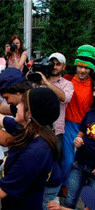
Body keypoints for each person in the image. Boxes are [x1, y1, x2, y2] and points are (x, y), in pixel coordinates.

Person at [34, 53, 74, 207]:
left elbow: (65, 97)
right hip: (38, 129)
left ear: (64, 66)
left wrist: (46, 83)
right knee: (38, 162)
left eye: (58, 64)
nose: (55, 66)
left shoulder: (66, 84)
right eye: (52, 63)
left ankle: (53, 194)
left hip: (56, 132)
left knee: (54, 164)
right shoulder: (39, 80)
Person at [62, 45, 95, 193]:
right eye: (80, 66)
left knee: (85, 160)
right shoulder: (67, 80)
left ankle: (82, 190)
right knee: (69, 160)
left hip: (88, 128)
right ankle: (64, 187)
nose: (82, 71)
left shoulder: (93, 84)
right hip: (69, 125)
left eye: (86, 68)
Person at [61, 81, 95, 208]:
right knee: (69, 201)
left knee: (90, 206)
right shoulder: (90, 113)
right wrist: (78, 139)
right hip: (79, 164)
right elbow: (81, 132)